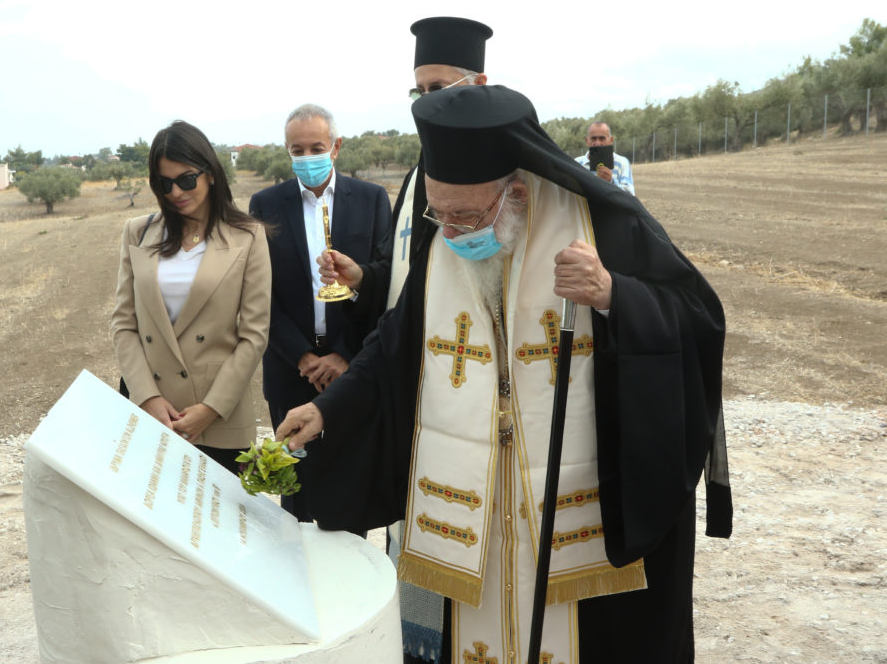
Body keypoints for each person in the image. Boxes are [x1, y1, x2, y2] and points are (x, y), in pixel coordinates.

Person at [277, 86, 732, 662]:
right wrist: (327, 408)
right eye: (436, 213)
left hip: (577, 511)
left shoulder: (603, 225)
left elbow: (699, 318)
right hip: (481, 512)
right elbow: (394, 345)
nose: (451, 230)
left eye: (465, 214)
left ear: (515, 193)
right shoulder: (445, 240)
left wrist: (615, 294)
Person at [248, 104, 392, 524]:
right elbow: (259, 294)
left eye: (317, 147)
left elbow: (382, 284)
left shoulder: (370, 200)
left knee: (350, 486)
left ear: (336, 147)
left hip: (352, 370)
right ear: (287, 150)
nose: (307, 157)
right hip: (291, 370)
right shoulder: (266, 205)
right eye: (298, 149)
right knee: (296, 492)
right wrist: (302, 357)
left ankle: (349, 582)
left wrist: (346, 355)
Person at [111, 120, 271, 475]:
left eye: (185, 180)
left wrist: (210, 409)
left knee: (218, 526)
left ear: (210, 173)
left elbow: (254, 335)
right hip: (151, 412)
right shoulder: (138, 232)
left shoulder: (248, 237)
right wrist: (148, 398)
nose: (176, 193)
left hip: (219, 418)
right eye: (164, 184)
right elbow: (124, 324)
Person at [317, 16, 492, 315]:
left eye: (437, 88)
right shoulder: (415, 178)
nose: (424, 103)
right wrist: (361, 277)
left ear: (478, 84)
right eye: (418, 91)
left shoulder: (505, 173)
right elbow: (399, 268)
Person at [574, 121, 636, 195]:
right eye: (593, 139)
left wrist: (611, 181)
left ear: (611, 140)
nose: (597, 143)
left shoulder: (622, 163)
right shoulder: (577, 164)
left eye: (602, 138)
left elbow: (630, 196)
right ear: (587, 141)